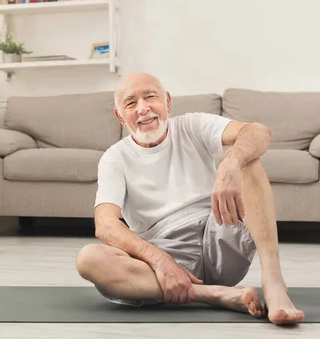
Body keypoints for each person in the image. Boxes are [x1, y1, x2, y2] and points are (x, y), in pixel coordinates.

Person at [75, 72, 304, 325]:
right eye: (131, 103)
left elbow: (258, 132)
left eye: (150, 97)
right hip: (163, 257)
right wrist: (160, 260)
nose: (143, 108)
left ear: (167, 102)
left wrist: (231, 163)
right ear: (120, 116)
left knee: (249, 159)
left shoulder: (192, 125)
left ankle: (274, 282)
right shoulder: (114, 158)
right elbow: (105, 225)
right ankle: (213, 295)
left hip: (218, 234)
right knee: (88, 259)